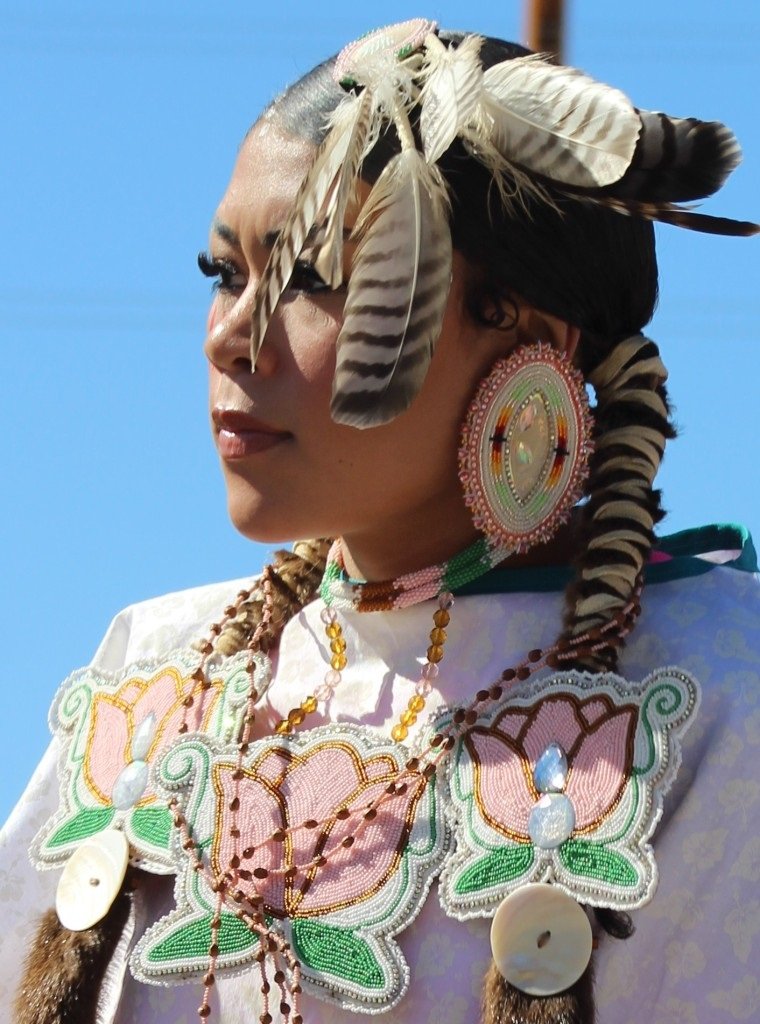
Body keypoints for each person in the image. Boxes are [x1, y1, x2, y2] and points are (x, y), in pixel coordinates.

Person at [2, 19, 758, 1024]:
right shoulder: (147, 678)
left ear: (523, 333)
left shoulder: (721, 686)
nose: (232, 336)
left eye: (314, 280)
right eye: (225, 273)